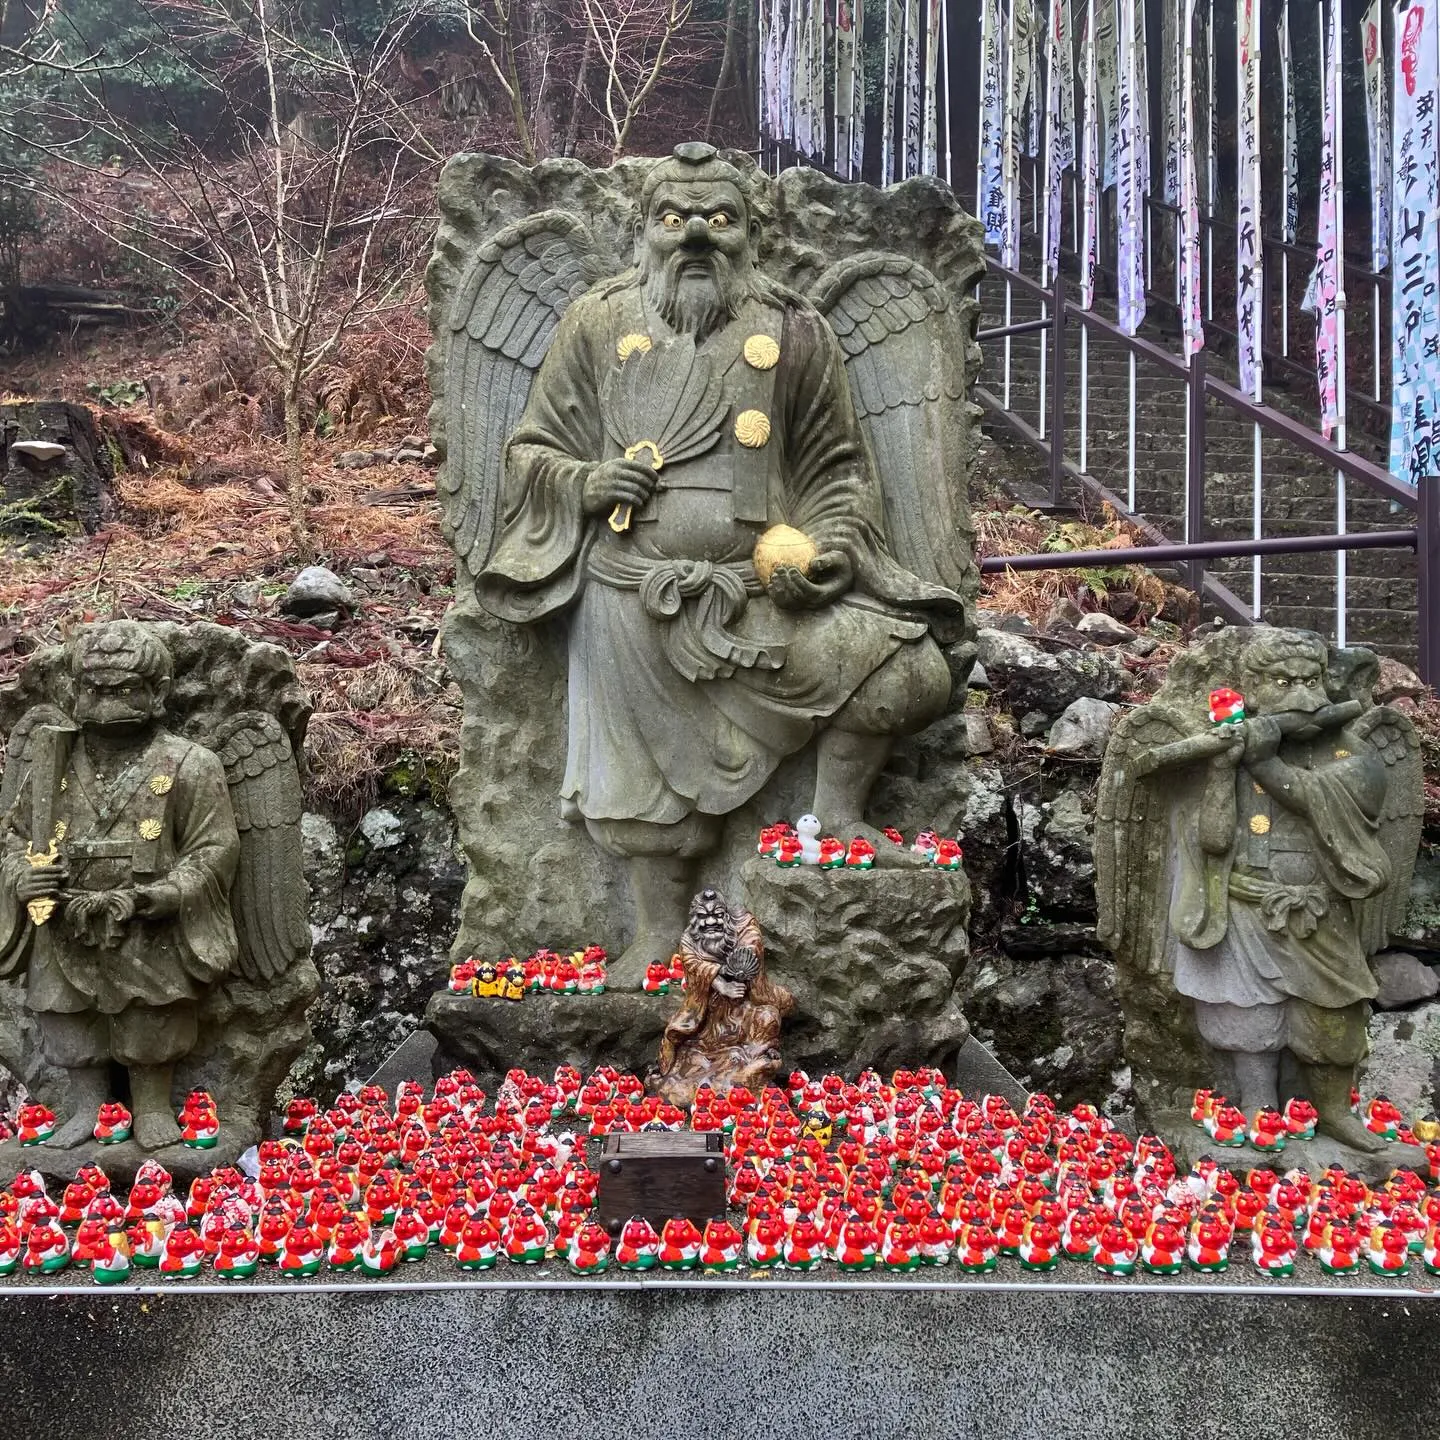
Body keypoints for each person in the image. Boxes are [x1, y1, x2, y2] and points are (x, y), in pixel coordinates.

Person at [477, 143, 957, 986]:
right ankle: (657, 932)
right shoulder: (596, 323)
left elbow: (838, 469)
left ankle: (835, 816)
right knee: (641, 791)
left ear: (750, 235)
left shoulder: (795, 329)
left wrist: (829, 552)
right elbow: (528, 451)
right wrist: (586, 482)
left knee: (911, 672)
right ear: (644, 233)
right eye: (673, 219)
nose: (696, 236)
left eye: (720, 219)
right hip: (634, 594)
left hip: (759, 595)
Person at [0, 622, 240, 1149]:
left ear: (158, 691)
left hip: (147, 920)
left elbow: (214, 847)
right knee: (66, 1013)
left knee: (151, 1013)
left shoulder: (191, 764)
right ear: (75, 691)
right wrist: (24, 875)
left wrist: (168, 894)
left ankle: (153, 1107)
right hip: (63, 914)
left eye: (125, 688)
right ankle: (86, 1106)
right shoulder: (51, 761)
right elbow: (14, 837)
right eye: (95, 689)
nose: (108, 701)